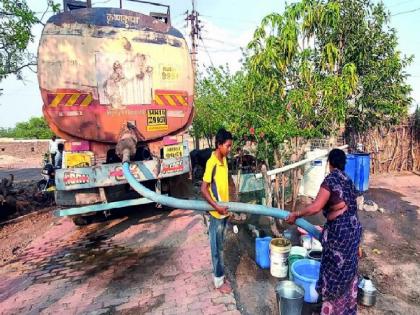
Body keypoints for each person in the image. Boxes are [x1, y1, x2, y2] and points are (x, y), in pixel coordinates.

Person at [286, 149, 362, 315]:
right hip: (353, 232)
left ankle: (331, 310)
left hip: (339, 236)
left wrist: (296, 214)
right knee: (348, 272)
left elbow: (315, 207)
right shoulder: (348, 180)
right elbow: (350, 210)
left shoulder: (331, 179)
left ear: (330, 163)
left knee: (334, 273)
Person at [201, 128, 233, 294]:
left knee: (221, 246)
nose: (229, 149)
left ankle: (219, 275)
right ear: (219, 145)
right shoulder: (211, 162)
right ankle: (219, 281)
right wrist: (217, 207)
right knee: (217, 248)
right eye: (227, 146)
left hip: (224, 211)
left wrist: (229, 205)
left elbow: (224, 184)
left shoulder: (224, 159)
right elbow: (204, 189)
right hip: (216, 214)